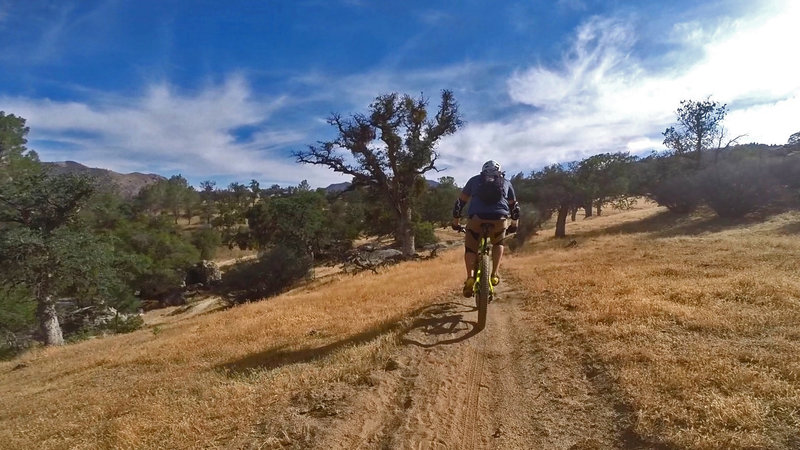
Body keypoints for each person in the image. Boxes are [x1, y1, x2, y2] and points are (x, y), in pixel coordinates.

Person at [451, 160, 519, 297]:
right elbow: (514, 207)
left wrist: (456, 223)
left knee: (471, 248)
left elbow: (459, 203)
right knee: (498, 243)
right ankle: (494, 274)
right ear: (500, 171)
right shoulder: (506, 182)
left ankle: (470, 277)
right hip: (499, 219)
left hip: (477, 219)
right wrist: (514, 225)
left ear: (483, 170)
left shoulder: (474, 180)